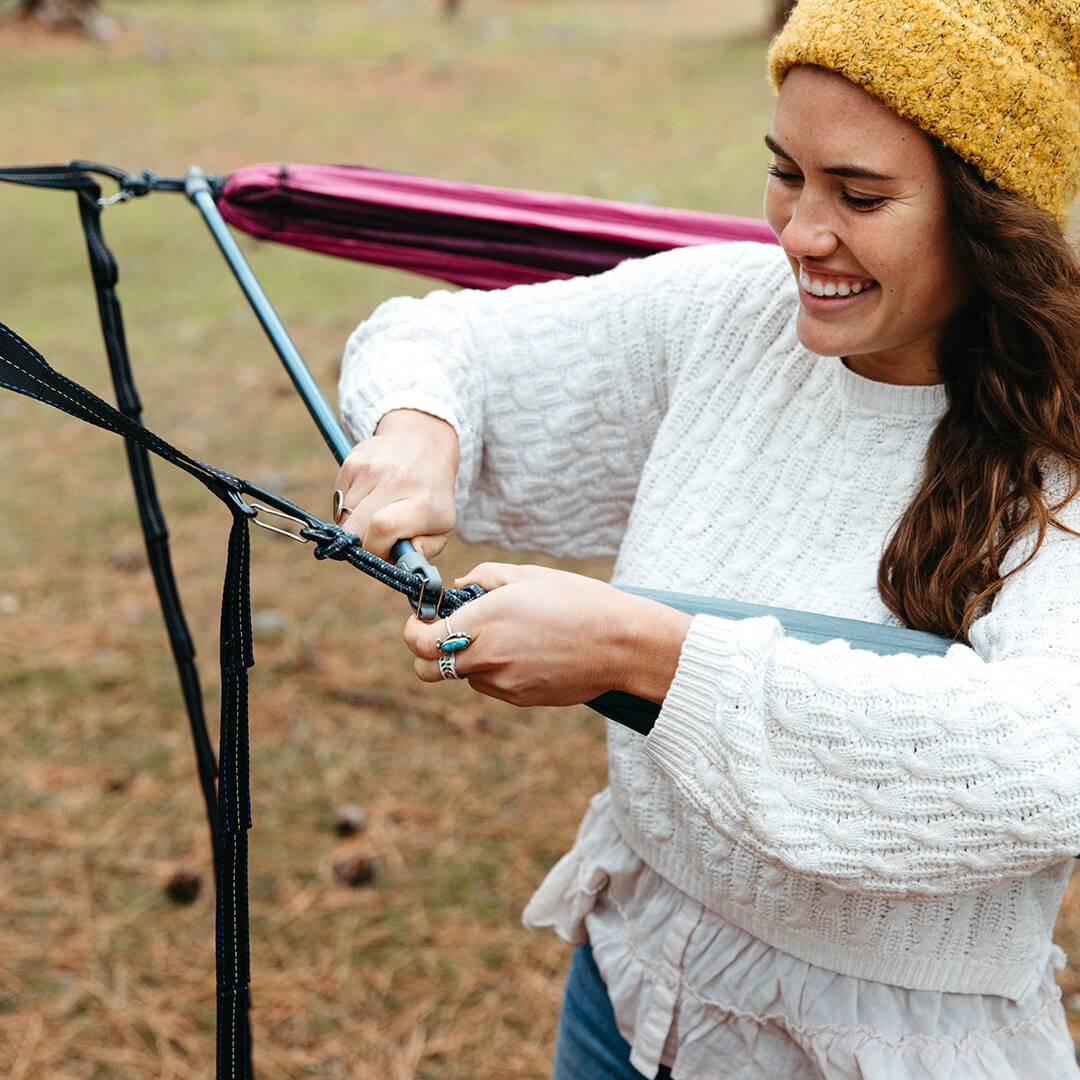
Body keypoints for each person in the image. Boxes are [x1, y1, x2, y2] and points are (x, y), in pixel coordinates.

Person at [334, 0, 1080, 1075]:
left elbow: (1040, 761)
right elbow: (441, 338)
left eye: (860, 195)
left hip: (871, 1047)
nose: (800, 232)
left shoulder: (1057, 453)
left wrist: (644, 655)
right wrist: (420, 427)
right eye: (787, 173)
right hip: (631, 982)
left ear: (989, 213)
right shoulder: (730, 317)